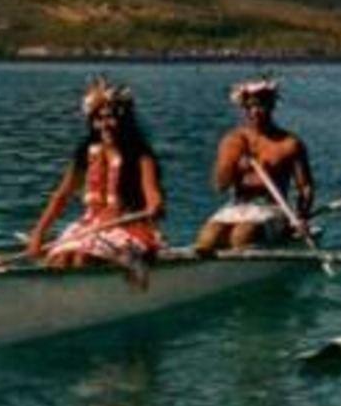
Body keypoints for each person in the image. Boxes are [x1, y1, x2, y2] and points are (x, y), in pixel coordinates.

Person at [27, 78, 165, 269]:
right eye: (99, 119)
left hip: (129, 228)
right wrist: (38, 233)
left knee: (82, 259)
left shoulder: (141, 156)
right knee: (60, 259)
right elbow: (62, 196)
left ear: (124, 120)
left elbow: (152, 194)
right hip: (90, 226)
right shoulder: (86, 153)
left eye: (111, 117)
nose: (104, 124)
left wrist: (154, 205)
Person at [194, 77, 314, 253]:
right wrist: (234, 164)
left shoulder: (289, 144)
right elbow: (220, 186)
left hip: (272, 208)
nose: (255, 112)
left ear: (272, 106)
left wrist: (300, 217)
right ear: (244, 109)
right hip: (237, 206)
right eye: (249, 107)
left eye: (260, 106)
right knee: (207, 238)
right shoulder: (233, 140)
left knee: (241, 236)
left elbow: (305, 187)